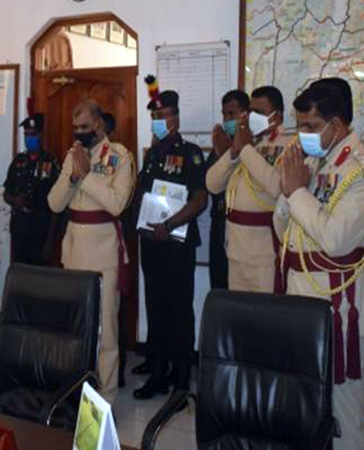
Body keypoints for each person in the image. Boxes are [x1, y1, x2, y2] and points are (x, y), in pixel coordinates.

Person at [274, 83, 364, 450]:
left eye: (311, 126)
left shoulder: (362, 172)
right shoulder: (316, 161)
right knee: (307, 408)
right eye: (300, 126)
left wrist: (297, 192)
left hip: (340, 307)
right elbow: (285, 231)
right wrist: (290, 191)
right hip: (303, 299)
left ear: (336, 125)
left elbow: (335, 240)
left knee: (343, 416)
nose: (302, 134)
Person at [47, 99, 135, 406]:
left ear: (98, 124)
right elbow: (54, 203)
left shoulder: (120, 156)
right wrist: (73, 175)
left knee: (105, 333)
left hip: (104, 254)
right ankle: (76, 393)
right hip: (73, 251)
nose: (79, 132)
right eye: (75, 128)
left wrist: (86, 176)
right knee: (76, 330)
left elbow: (117, 204)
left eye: (84, 127)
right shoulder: (73, 155)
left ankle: (105, 400)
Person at [134, 88, 207, 400]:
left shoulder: (190, 153)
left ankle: (181, 380)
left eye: (163, 116)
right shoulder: (152, 154)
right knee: (155, 307)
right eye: (154, 116)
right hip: (151, 242)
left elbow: (200, 199)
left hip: (176, 243)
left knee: (179, 309)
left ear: (175, 118)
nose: (158, 121)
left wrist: (170, 225)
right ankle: (158, 372)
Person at [206, 85, 292, 293]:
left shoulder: (289, 145)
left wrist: (245, 149)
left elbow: (278, 188)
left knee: (264, 311)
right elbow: (212, 184)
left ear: (277, 116)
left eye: (260, 113)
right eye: (252, 112)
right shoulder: (250, 143)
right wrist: (234, 152)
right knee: (238, 311)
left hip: (264, 253)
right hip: (235, 248)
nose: (253, 118)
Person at [207, 89, 250, 290]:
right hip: (219, 223)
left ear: (245, 114)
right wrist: (221, 153)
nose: (226, 120)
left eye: (231, 114)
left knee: (240, 289)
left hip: (242, 228)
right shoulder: (221, 141)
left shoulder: (251, 144)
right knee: (219, 284)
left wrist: (229, 152)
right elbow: (210, 184)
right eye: (224, 114)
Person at [3, 113, 59, 265]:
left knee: (39, 276)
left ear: (41, 135)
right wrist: (14, 200)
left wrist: (50, 240)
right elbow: (6, 193)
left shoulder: (51, 162)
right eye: (26, 135)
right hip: (20, 228)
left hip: (41, 230)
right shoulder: (18, 161)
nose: (29, 138)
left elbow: (57, 206)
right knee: (20, 273)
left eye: (32, 134)